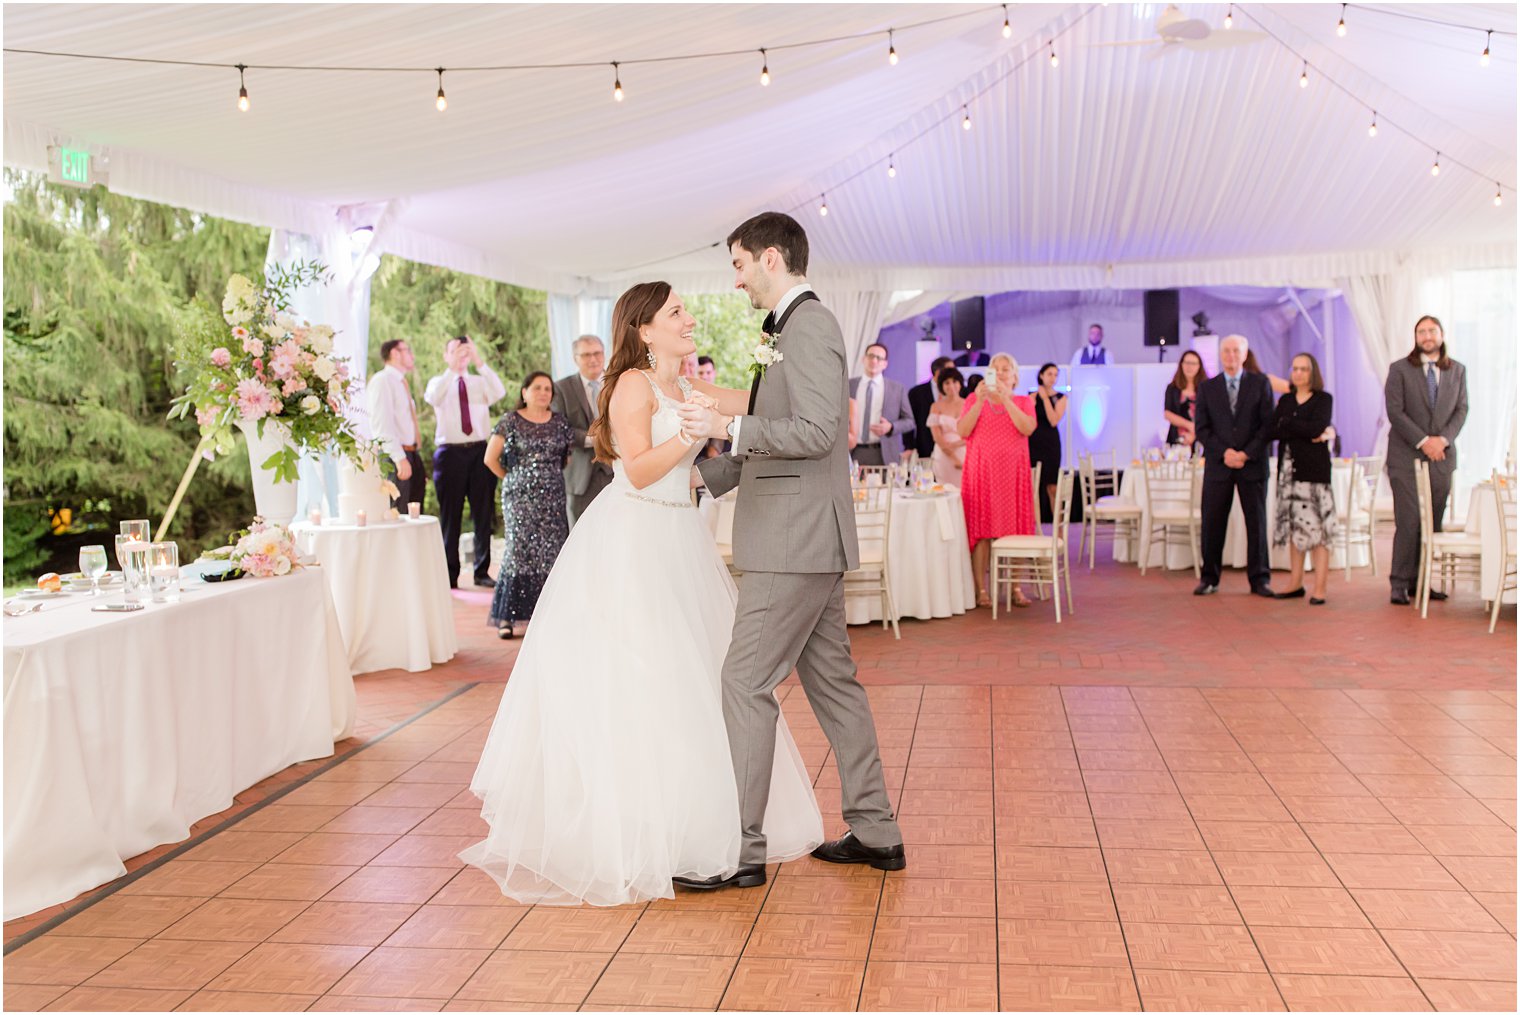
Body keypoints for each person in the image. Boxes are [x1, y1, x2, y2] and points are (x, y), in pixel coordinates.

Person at [461, 281, 823, 906]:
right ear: (646, 330)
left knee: (702, 678)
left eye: (685, 308)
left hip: (682, 537)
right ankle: (649, 832)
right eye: (676, 312)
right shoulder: (632, 383)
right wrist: (692, 434)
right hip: (633, 539)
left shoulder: (693, 386)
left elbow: (769, 403)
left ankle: (705, 825)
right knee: (653, 676)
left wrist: (794, 365)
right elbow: (635, 468)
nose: (689, 317)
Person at [675, 210, 905, 889]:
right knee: (834, 685)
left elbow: (813, 430)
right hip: (807, 535)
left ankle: (740, 850)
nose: (738, 279)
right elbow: (779, 438)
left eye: (741, 264)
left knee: (743, 682)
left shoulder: (810, 327)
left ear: (772, 259)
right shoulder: (790, 331)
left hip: (791, 542)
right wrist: (707, 475)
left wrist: (727, 423)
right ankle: (877, 829)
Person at [1385, 315, 1469, 606]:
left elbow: (1461, 409)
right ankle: (1399, 582)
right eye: (1421, 331)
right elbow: (1395, 412)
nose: (1427, 336)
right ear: (1416, 337)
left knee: (1432, 521)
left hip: (1441, 458)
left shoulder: (1457, 370)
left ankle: (1420, 582)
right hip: (1405, 455)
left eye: (1432, 330)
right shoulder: (1399, 370)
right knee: (1408, 520)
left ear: (1442, 335)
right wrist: (1424, 441)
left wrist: (1441, 441)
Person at [483, 371, 573, 639]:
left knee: (552, 552)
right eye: (537, 387)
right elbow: (490, 458)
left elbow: (564, 459)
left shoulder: (560, 423)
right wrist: (513, 478)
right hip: (519, 498)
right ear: (524, 392)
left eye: (547, 389)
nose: (543, 392)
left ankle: (548, 612)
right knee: (517, 551)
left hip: (553, 497)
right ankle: (507, 617)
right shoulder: (510, 421)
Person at [1193, 334, 1274, 598]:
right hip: (1219, 465)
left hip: (1252, 465)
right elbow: (1202, 429)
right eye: (1226, 351)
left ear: (1245, 353)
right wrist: (1225, 452)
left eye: (1236, 351)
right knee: (1213, 523)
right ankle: (1209, 578)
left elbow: (1266, 426)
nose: (1231, 356)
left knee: (1257, 524)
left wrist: (1246, 454)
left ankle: (1260, 579)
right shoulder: (1207, 388)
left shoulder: (1260, 383)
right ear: (1220, 354)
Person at [424, 335, 507, 588]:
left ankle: (482, 571)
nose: (461, 355)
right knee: (452, 515)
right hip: (450, 453)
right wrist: (454, 370)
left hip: (479, 451)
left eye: (464, 351)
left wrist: (478, 360)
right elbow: (433, 398)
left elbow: (499, 391)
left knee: (483, 512)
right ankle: (450, 573)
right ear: (446, 355)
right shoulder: (439, 382)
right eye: (455, 351)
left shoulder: (479, 381)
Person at [958, 352, 1037, 608]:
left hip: (1013, 477)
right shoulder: (972, 400)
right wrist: (981, 401)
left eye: (1006, 369)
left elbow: (1026, 427)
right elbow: (963, 431)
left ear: (1015, 377)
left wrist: (1007, 400)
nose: (1001, 373)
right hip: (981, 475)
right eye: (996, 368)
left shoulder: (1024, 401)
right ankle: (981, 589)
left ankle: (1015, 586)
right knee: (981, 533)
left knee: (1017, 530)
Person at [1271, 354, 1336, 606]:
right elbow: (1274, 429)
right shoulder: (1286, 399)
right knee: (1294, 528)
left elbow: (1316, 427)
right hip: (1289, 473)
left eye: (1304, 369)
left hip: (1315, 473)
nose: (1298, 373)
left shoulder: (1323, 399)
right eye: (1295, 368)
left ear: (1313, 372)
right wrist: (1297, 426)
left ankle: (1320, 588)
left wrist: (1289, 422)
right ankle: (1295, 581)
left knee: (1318, 531)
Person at [552, 335, 615, 526]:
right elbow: (558, 428)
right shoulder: (561, 388)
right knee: (581, 533)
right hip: (581, 475)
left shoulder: (618, 383)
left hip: (617, 470)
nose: (593, 359)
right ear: (575, 359)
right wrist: (592, 439)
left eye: (597, 353)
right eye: (586, 355)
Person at [365, 338, 425, 509]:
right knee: (396, 511)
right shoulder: (382, 381)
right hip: (395, 456)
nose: (412, 356)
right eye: (408, 350)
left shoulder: (400, 383)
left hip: (411, 453)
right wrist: (399, 458)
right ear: (394, 353)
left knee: (414, 513)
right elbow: (382, 424)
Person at [848, 342, 914, 466]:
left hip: (884, 453)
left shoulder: (896, 389)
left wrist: (891, 427)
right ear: (863, 359)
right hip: (853, 451)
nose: (874, 361)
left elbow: (910, 421)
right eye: (871, 356)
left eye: (879, 358)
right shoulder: (849, 385)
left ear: (885, 364)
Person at [1030, 363, 1067, 516]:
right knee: (1033, 486)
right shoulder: (1031, 396)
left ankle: (1058, 527)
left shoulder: (1061, 397)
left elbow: (1053, 420)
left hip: (1051, 444)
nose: (1053, 378)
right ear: (1041, 375)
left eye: (1055, 375)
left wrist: (1045, 398)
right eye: (1049, 374)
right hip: (1033, 443)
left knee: (1053, 486)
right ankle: (1034, 525)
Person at [909, 355, 955, 461]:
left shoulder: (960, 391)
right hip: (925, 446)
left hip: (953, 447)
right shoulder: (917, 393)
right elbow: (910, 421)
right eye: (950, 370)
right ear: (938, 372)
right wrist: (909, 446)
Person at [927, 366, 967, 485]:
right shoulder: (936, 406)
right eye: (947, 383)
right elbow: (937, 436)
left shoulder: (969, 404)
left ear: (960, 383)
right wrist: (953, 456)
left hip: (965, 453)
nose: (951, 386)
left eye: (954, 381)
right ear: (941, 386)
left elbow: (973, 433)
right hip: (943, 455)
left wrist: (957, 444)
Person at [1165, 349, 1207, 448]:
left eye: (1193, 364)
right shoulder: (1173, 388)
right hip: (1177, 437)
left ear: (1199, 366)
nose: (1190, 367)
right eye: (1187, 363)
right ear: (1181, 365)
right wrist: (1189, 426)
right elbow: (1167, 413)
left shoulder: (1206, 388)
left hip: (1201, 438)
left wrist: (1194, 432)